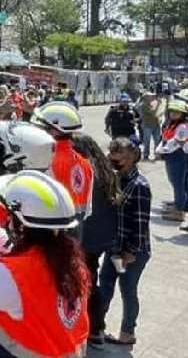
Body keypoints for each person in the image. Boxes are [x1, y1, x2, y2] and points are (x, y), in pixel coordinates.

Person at [0, 170, 90, 357]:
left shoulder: (11, 275)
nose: (8, 220)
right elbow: (19, 254)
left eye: (10, 216)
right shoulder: (71, 262)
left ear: (20, 225)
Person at [95, 137, 151, 347]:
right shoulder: (118, 179)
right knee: (106, 284)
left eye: (118, 158)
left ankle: (127, 332)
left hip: (130, 253)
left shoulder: (139, 186)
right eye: (111, 156)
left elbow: (140, 224)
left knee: (128, 290)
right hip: (114, 249)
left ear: (132, 158)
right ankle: (96, 326)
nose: (112, 161)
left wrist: (130, 252)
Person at [71, 133, 120, 348]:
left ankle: (94, 329)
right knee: (91, 280)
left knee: (87, 283)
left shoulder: (83, 170)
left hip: (86, 237)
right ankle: (95, 328)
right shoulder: (105, 170)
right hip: (102, 238)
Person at [32, 101, 94, 226]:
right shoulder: (85, 163)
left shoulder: (46, 161)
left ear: (55, 131)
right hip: (77, 227)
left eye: (42, 127)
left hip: (54, 230)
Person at [156, 99, 188, 225]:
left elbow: (175, 142)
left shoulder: (182, 126)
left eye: (177, 112)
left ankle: (180, 211)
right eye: (172, 111)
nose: (173, 114)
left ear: (183, 114)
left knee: (178, 183)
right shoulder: (173, 124)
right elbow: (165, 138)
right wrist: (160, 149)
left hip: (178, 156)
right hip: (172, 155)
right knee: (174, 182)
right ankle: (177, 205)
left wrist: (161, 151)